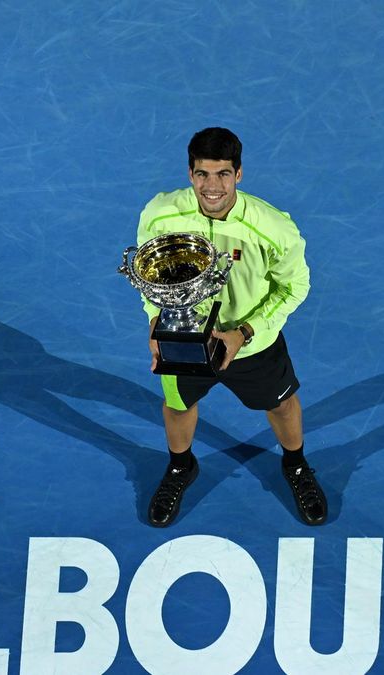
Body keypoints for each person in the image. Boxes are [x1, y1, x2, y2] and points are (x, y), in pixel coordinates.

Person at [135, 127, 327, 527]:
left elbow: (296, 286)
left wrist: (246, 332)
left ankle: (295, 464)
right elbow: (150, 274)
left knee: (281, 404)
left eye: (223, 174)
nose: (212, 187)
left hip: (251, 342)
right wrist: (156, 318)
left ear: (238, 174)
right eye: (202, 174)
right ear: (190, 173)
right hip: (185, 335)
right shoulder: (160, 214)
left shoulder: (273, 228)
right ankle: (181, 466)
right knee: (178, 405)